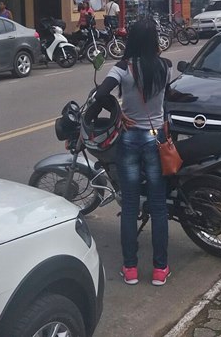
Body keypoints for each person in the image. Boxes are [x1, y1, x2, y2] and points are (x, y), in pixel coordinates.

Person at [94, 19, 172, 286]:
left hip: (129, 139)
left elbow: (99, 95)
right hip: (156, 140)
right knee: (158, 206)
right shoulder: (165, 67)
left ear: (132, 40)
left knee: (129, 207)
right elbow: (166, 100)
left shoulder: (122, 69)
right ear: (153, 42)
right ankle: (160, 270)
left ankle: (130, 269)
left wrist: (119, 111)